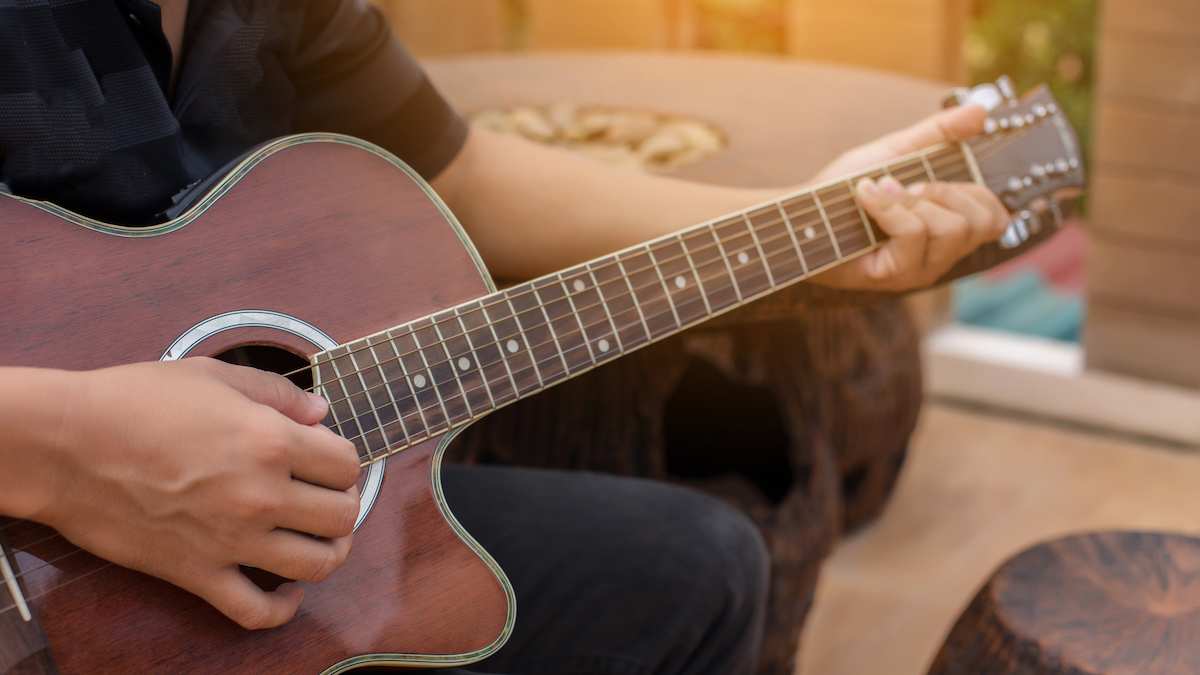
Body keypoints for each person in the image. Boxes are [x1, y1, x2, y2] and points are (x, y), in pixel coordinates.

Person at [0, 1, 1009, 673]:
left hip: (225, 564)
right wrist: (62, 448)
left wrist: (805, 219)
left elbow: (459, 175)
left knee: (694, 568)